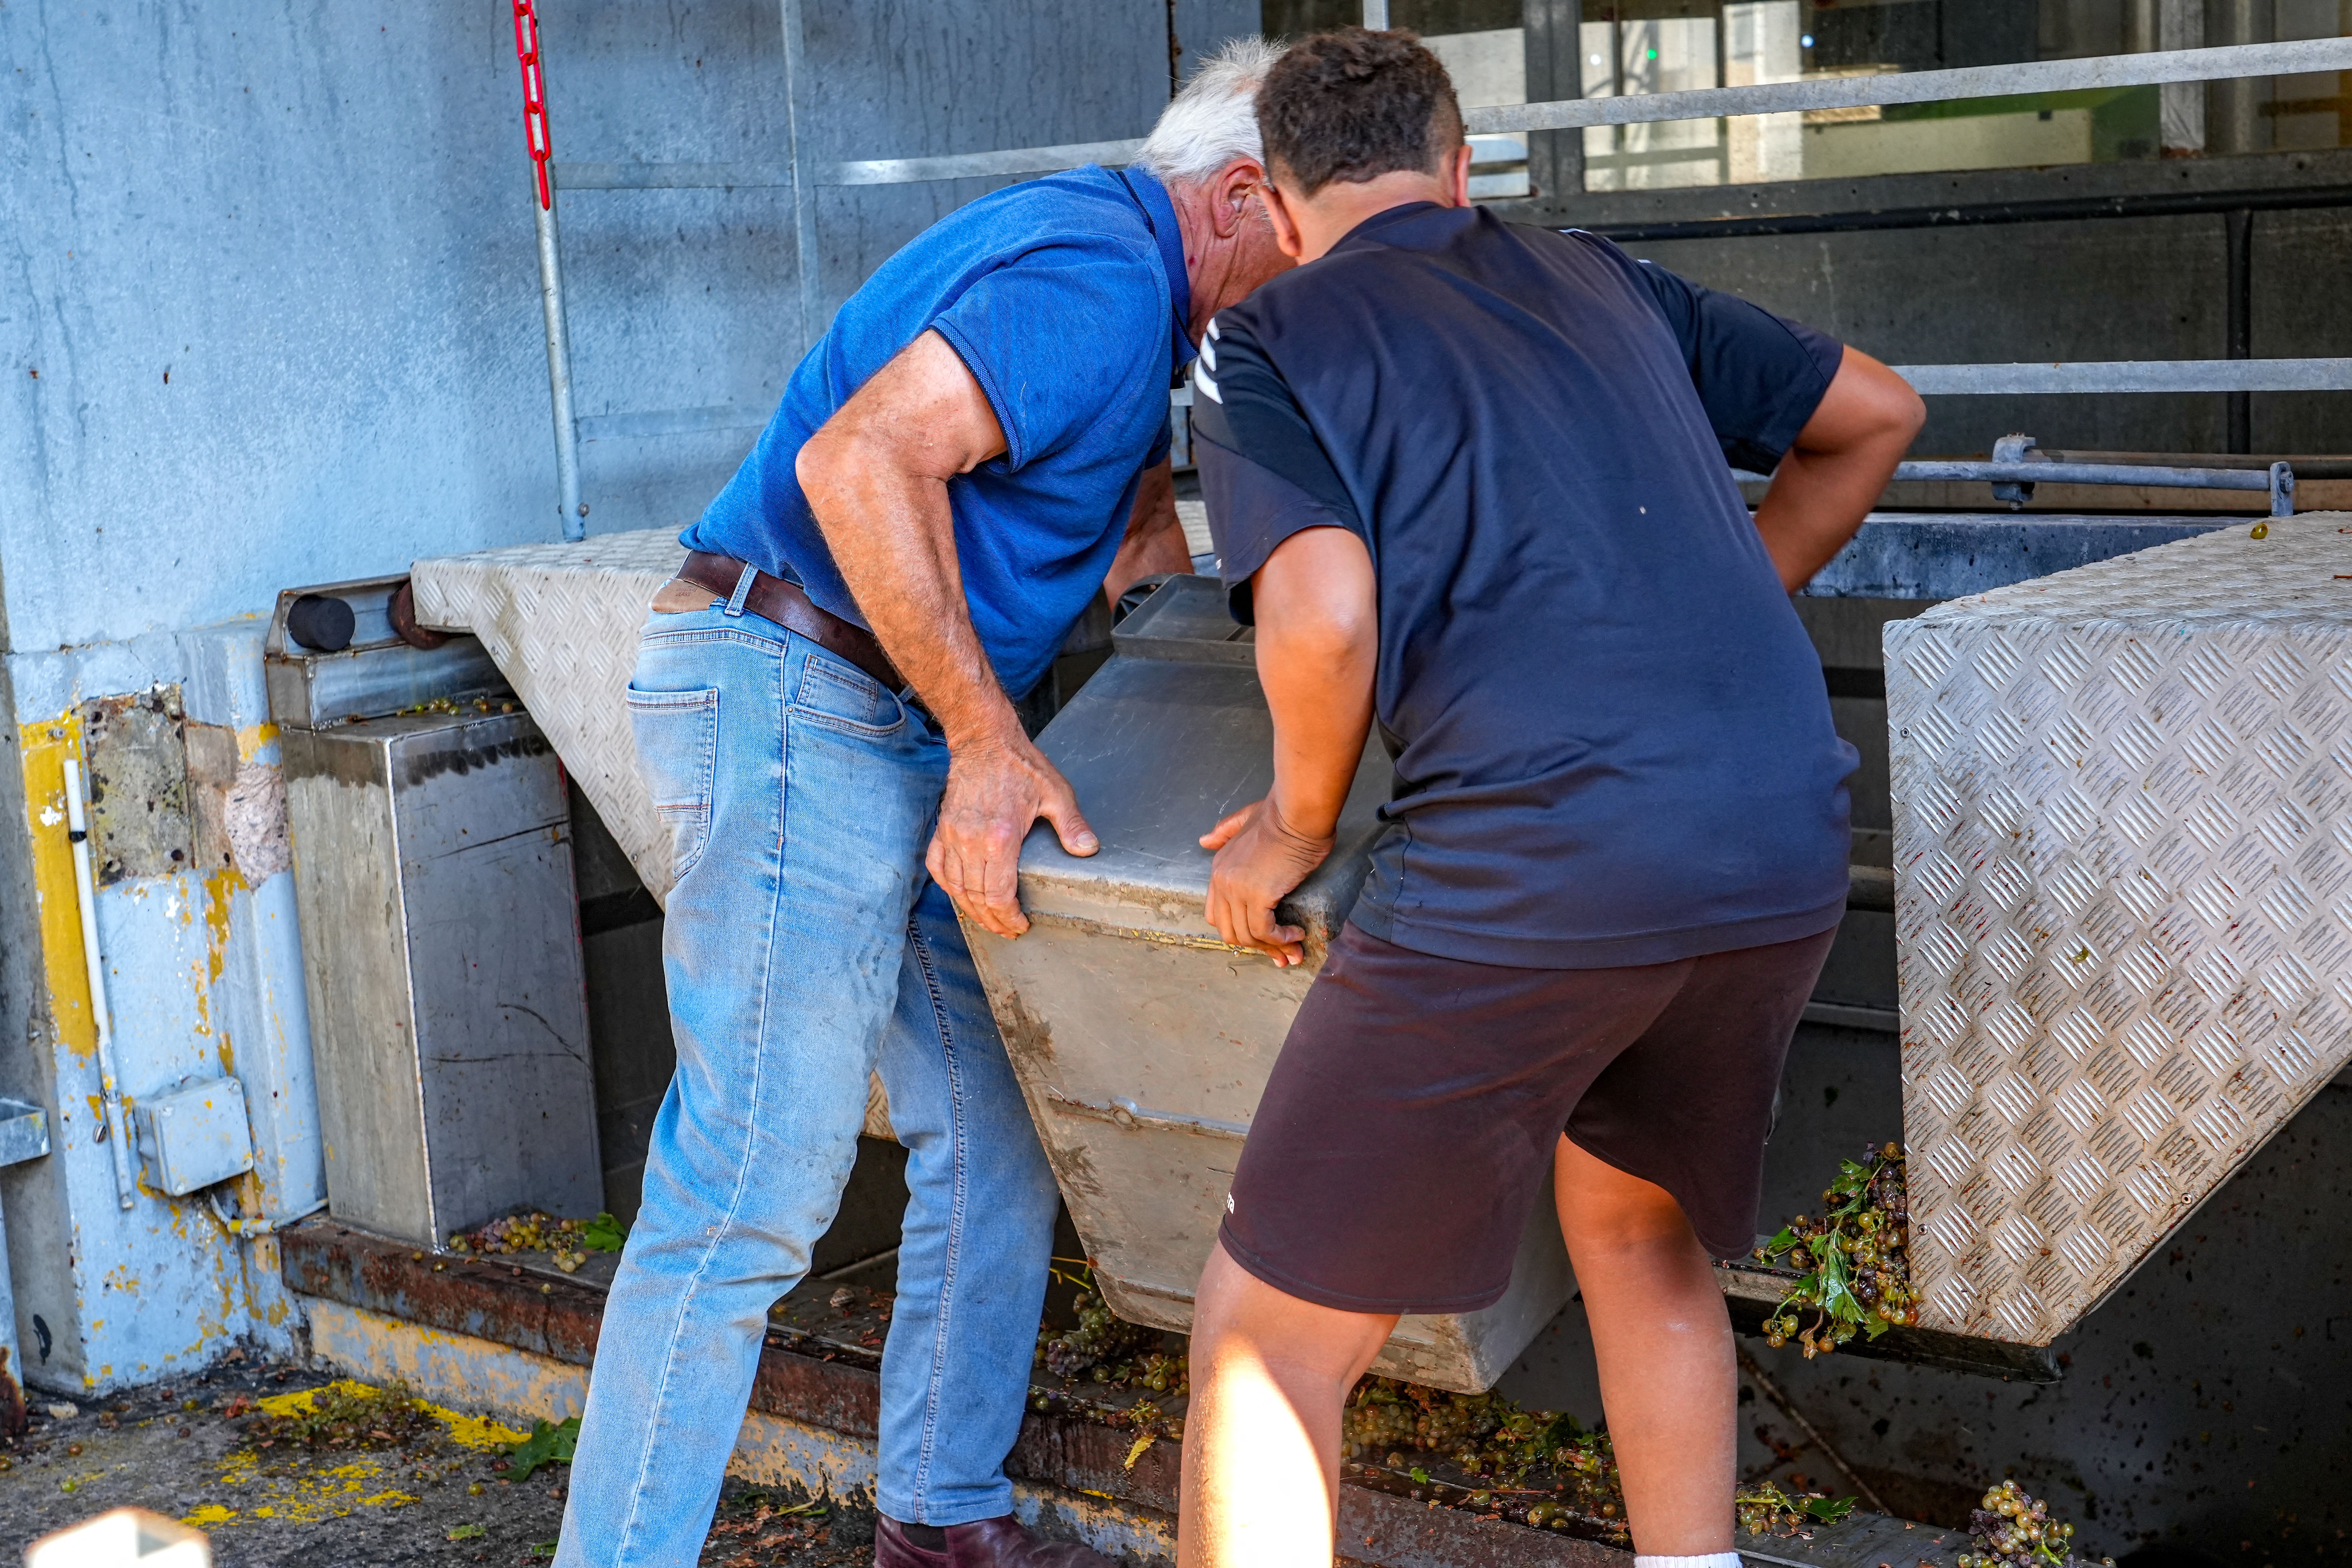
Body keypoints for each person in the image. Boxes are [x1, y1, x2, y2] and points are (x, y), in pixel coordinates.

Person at [1174, 28, 1923, 1568]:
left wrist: (1293, 828)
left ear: (1281, 205)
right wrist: (1718, 613)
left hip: (1541, 855)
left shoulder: (1272, 340)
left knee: (1270, 1340)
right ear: (1462, 169)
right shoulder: (1604, 275)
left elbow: (1320, 619)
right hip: (1779, 834)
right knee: (1637, 1229)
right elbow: (1877, 415)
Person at [555, 40, 1294, 1568]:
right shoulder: (1096, 277)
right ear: (1236, 196)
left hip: (866, 716)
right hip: (804, 701)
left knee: (992, 1127)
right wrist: (984, 738)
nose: (1328, 288)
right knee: (748, 1191)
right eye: (1316, 242)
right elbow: (858, 460)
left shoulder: (1132, 295)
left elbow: (1133, 536)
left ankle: (940, 1524)